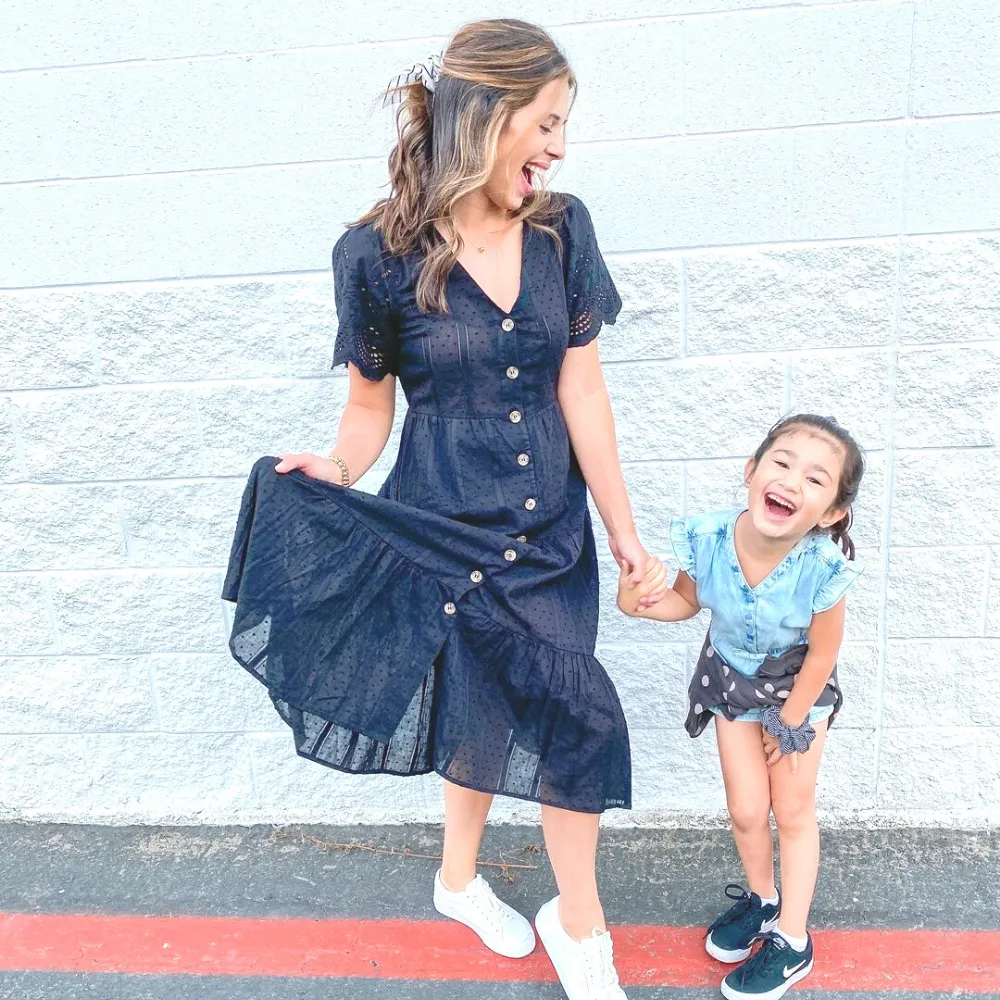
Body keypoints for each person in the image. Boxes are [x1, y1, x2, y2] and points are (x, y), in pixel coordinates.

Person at [222, 19, 665, 1000]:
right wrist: (335, 466)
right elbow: (369, 407)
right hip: (445, 529)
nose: (557, 147)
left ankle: (552, 908)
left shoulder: (562, 231)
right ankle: (499, 896)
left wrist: (625, 532)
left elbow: (582, 392)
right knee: (498, 706)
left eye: (562, 127)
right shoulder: (373, 256)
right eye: (546, 124)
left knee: (563, 709)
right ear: (489, 117)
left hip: (553, 536)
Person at [617, 414, 865, 1000]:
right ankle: (763, 898)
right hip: (731, 681)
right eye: (781, 463)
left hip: (797, 692)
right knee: (747, 808)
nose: (791, 480)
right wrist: (635, 605)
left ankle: (794, 941)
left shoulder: (823, 567)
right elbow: (683, 601)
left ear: (830, 512)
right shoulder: (706, 538)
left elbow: (824, 654)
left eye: (815, 479)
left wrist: (794, 717)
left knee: (793, 811)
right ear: (752, 472)